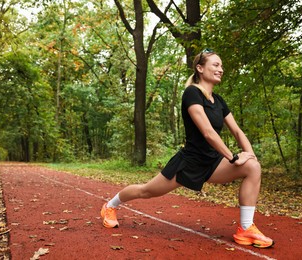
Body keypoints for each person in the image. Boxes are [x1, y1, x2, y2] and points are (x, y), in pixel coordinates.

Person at [101, 49, 274, 248]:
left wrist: (250, 155)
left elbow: (237, 131)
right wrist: (233, 157)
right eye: (216, 65)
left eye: (221, 66)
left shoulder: (219, 101)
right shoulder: (192, 93)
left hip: (213, 162)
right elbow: (208, 132)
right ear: (200, 68)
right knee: (147, 191)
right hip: (189, 162)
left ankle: (245, 229)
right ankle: (110, 206)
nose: (221, 69)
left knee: (253, 167)